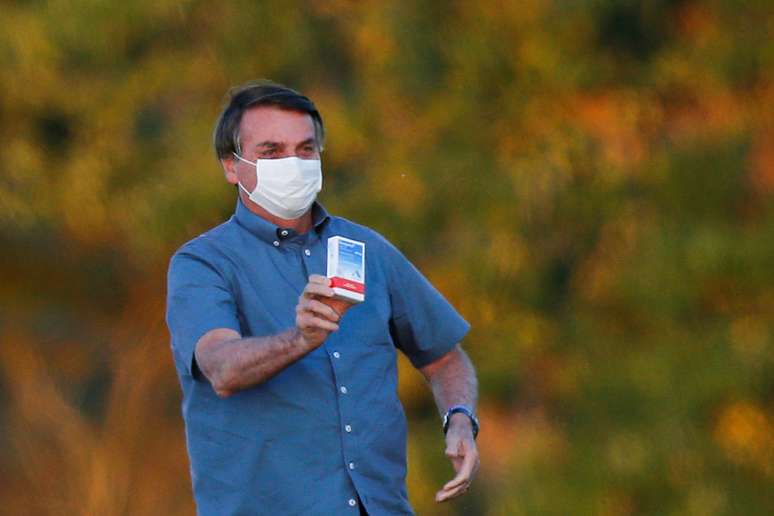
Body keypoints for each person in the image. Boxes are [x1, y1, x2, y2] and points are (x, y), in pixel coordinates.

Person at [166, 81, 480, 516]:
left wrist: (459, 419)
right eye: (272, 151)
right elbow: (221, 368)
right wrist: (299, 340)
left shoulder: (368, 249)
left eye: (305, 149)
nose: (292, 164)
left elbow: (444, 357)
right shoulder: (203, 263)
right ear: (231, 167)